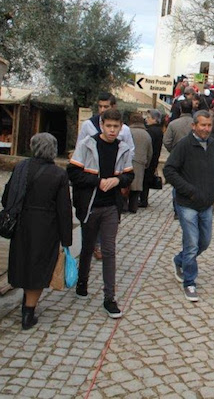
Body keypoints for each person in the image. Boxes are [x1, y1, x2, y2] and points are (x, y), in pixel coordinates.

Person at [68, 108, 134, 319]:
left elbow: (129, 175)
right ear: (102, 125)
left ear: (121, 127)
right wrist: (98, 181)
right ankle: (82, 280)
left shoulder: (123, 149)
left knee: (108, 250)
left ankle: (109, 298)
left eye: (116, 127)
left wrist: (118, 180)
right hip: (89, 205)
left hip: (111, 207)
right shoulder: (87, 144)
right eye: (109, 126)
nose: (113, 130)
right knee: (87, 247)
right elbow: (73, 173)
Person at [4, 133, 72, 330]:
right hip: (46, 227)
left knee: (24, 263)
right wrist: (66, 239)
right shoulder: (58, 174)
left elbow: (6, 197)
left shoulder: (21, 168)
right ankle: (28, 312)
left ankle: (26, 303)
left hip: (22, 223)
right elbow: (64, 209)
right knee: (38, 268)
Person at [163, 110, 214, 302]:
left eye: (209, 125)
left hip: (206, 204)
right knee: (191, 243)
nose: (206, 129)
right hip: (187, 203)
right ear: (194, 126)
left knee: (204, 242)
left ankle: (179, 260)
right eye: (202, 125)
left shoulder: (213, 145)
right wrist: (188, 189)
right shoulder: (184, 145)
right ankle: (190, 282)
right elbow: (169, 170)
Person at [77, 92, 134, 260]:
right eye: (100, 106)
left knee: (108, 217)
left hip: (113, 179)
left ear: (113, 107)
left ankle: (101, 246)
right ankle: (89, 247)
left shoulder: (124, 130)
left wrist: (122, 173)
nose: (102, 109)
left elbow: (130, 150)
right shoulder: (88, 125)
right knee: (89, 215)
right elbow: (80, 145)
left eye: (106, 107)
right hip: (92, 178)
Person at [127, 113, 152, 213]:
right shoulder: (146, 134)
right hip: (140, 162)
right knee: (136, 186)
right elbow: (150, 152)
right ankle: (133, 206)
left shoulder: (128, 131)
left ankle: (124, 206)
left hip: (127, 161)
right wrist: (147, 163)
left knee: (126, 184)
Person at [141, 110, 164, 208]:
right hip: (155, 158)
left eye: (149, 117)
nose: (147, 119)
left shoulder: (151, 131)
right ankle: (143, 199)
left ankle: (142, 200)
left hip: (149, 158)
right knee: (146, 180)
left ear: (155, 119)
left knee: (144, 180)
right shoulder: (159, 130)